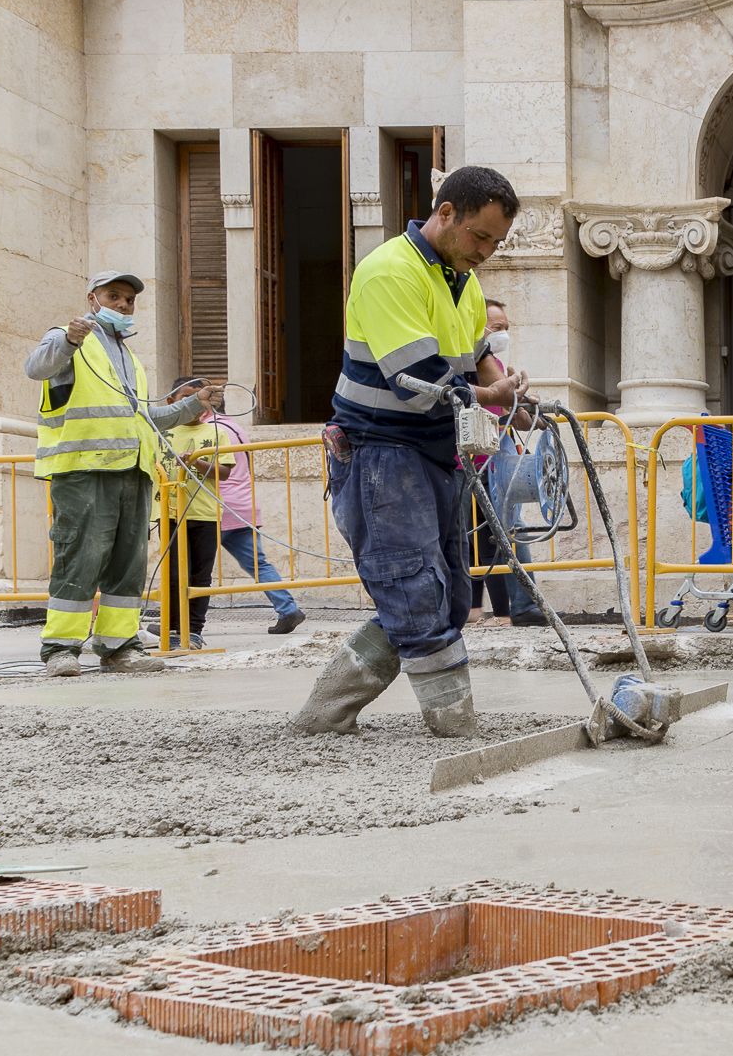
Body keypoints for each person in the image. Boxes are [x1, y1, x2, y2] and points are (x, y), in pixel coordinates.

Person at [291, 167, 530, 739]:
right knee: (413, 589)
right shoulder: (389, 271)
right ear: (445, 213)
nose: (487, 253)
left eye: (496, 243)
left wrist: (513, 400)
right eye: (481, 237)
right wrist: (491, 397)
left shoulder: (461, 280)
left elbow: (477, 360)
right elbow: (415, 381)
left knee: (443, 596)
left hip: (428, 452)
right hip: (379, 450)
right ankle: (454, 725)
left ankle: (325, 713)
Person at [25, 271, 221, 677]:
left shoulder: (130, 359)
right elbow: (36, 368)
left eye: (129, 300)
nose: (123, 305)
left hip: (132, 473)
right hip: (84, 470)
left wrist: (193, 404)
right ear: (92, 299)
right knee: (79, 558)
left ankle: (119, 647)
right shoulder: (67, 337)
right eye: (114, 296)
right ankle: (61, 648)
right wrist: (70, 339)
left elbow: (145, 418)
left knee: (127, 565)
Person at [470, 298, 545, 628]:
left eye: (507, 329)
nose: (504, 335)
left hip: (492, 461)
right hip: (475, 461)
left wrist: (533, 414)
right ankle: (518, 606)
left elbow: (515, 413)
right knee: (497, 534)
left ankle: (516, 607)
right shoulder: (475, 362)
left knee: (496, 534)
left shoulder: (497, 367)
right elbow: (509, 409)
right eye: (497, 328)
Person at [207, 400, 306, 636]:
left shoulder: (208, 429)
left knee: (191, 567)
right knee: (259, 564)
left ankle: (180, 622)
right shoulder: (236, 427)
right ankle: (288, 608)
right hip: (244, 505)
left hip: (217, 505)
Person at [155, 377, 229, 650]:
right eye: (187, 399)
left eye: (201, 401)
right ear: (171, 402)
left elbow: (225, 472)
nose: (196, 407)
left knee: (200, 575)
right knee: (173, 574)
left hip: (204, 514)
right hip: (170, 513)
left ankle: (195, 629)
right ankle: (174, 628)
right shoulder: (161, 432)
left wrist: (196, 461)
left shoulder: (217, 433)